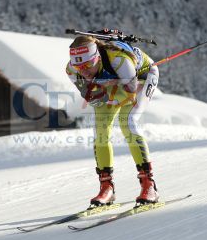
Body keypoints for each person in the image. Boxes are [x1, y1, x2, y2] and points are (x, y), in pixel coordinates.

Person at [65, 35, 160, 206]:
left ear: (98, 58)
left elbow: (130, 92)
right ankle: (106, 187)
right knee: (101, 131)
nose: (84, 71)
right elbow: (90, 96)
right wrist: (100, 93)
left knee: (128, 122)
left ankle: (148, 184)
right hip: (112, 85)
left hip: (141, 78)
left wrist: (105, 91)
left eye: (88, 65)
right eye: (79, 67)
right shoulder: (72, 70)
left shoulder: (119, 61)